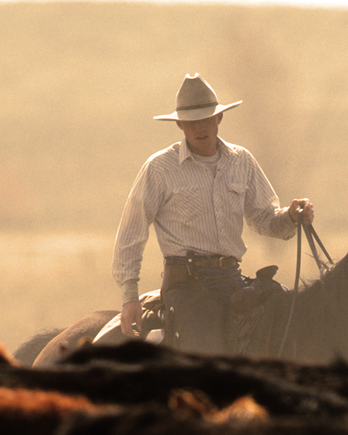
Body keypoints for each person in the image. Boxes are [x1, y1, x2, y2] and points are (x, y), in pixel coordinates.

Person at [111, 72, 314, 352]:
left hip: (232, 279)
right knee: (208, 353)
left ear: (219, 118)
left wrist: (291, 217)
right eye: (191, 122)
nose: (199, 127)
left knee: (288, 320)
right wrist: (129, 297)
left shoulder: (242, 161)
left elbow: (264, 219)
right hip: (186, 287)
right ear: (180, 124)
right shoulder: (159, 169)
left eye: (206, 119)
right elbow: (131, 234)